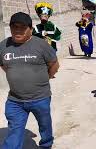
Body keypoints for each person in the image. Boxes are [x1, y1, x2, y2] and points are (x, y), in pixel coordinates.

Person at [0, 12, 59, 149]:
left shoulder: (41, 45)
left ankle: (46, 144)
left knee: (45, 125)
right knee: (14, 131)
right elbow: (4, 65)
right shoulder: (3, 45)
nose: (18, 30)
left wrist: (46, 78)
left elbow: (54, 65)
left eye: (22, 27)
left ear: (31, 30)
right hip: (15, 101)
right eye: (14, 27)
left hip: (40, 98)